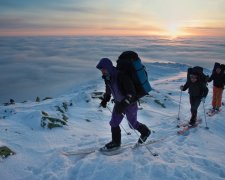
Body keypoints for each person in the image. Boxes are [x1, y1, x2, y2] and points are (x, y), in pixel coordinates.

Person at [96, 58, 151, 150]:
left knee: (132, 124)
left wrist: (124, 104)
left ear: (108, 67)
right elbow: (108, 89)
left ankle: (145, 132)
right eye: (101, 69)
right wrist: (106, 99)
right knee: (114, 123)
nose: (102, 71)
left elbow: (131, 93)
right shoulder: (107, 77)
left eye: (103, 69)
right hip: (118, 103)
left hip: (130, 103)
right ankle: (116, 142)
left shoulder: (121, 76)